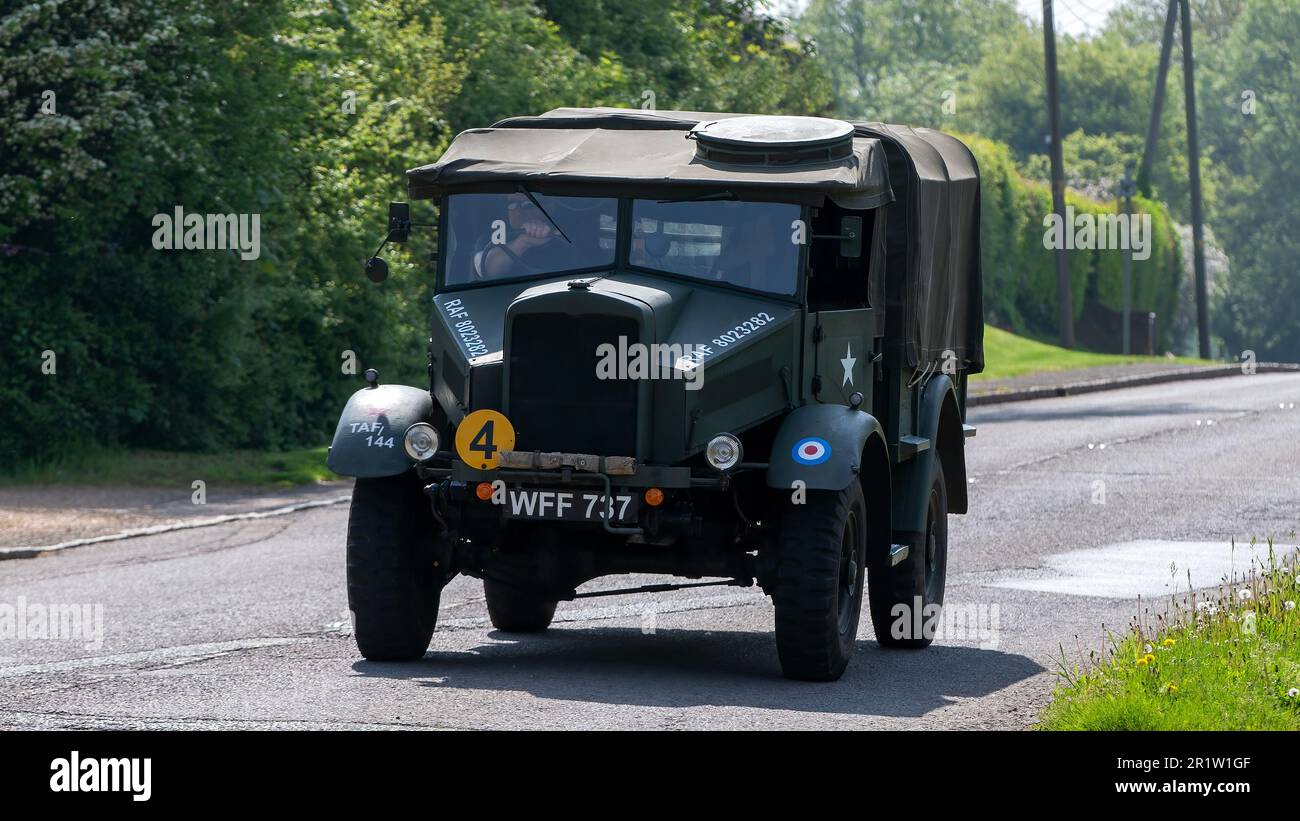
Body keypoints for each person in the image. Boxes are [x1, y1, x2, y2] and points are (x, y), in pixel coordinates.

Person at [472, 193, 562, 280]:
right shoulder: (493, 238)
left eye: (527, 205)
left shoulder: (564, 237)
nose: (518, 212)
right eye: (512, 205)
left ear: (549, 207)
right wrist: (521, 243)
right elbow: (485, 269)